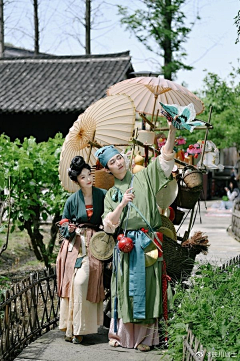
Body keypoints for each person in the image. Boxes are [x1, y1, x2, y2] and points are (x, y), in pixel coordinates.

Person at [95, 122, 177, 352]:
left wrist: (171, 131)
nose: (118, 163)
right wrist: (121, 204)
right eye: (112, 162)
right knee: (125, 288)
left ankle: (145, 339)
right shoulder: (111, 193)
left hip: (149, 242)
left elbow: (165, 158)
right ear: (108, 170)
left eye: (119, 157)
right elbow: (109, 226)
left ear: (125, 158)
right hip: (126, 245)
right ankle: (121, 335)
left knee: (149, 286)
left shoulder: (145, 178)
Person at [56, 156, 107, 344]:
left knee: (81, 282)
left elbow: (109, 216)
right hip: (74, 243)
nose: (88, 179)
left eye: (89, 175)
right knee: (72, 281)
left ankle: (78, 328)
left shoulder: (102, 194)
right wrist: (67, 228)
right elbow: (64, 222)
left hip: (95, 242)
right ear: (77, 180)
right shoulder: (71, 200)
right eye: (83, 177)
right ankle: (73, 328)